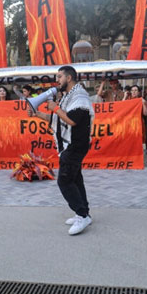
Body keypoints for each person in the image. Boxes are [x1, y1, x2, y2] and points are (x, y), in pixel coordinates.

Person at [27, 65, 94, 235]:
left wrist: (54, 107)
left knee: (64, 181)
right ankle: (84, 212)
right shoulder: (68, 97)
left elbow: (71, 120)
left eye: (59, 77)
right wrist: (37, 115)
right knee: (75, 179)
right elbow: (57, 119)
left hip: (75, 145)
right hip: (71, 145)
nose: (57, 81)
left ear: (69, 78)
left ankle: (81, 215)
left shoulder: (80, 97)